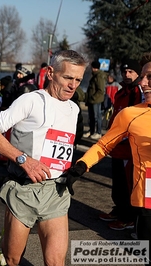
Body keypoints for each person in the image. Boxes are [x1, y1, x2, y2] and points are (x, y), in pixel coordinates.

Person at [0, 50, 87, 266]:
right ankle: (5, 245)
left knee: (56, 262)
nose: (73, 85)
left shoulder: (74, 109)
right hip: (24, 189)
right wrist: (23, 160)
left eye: (78, 80)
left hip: (56, 191)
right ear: (50, 73)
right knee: (12, 259)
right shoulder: (30, 100)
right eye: (67, 77)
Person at [63, 59, 151, 264]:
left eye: (150, 77)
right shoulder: (130, 114)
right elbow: (103, 146)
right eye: (144, 76)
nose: (143, 82)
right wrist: (80, 166)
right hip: (147, 204)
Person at [98, 58, 143, 231]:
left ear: (138, 73)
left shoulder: (138, 91)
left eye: (130, 71)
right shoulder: (121, 91)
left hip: (129, 150)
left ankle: (128, 217)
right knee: (118, 183)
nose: (127, 74)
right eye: (124, 72)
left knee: (127, 185)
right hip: (116, 147)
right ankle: (118, 210)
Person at [83, 60, 106, 140]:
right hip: (91, 100)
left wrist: (93, 98)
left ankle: (98, 132)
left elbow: (100, 90)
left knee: (97, 117)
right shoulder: (94, 75)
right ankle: (92, 131)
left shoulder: (99, 76)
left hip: (96, 100)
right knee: (91, 117)